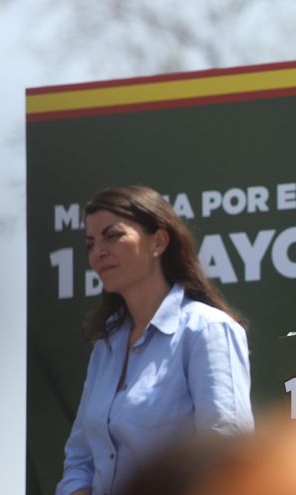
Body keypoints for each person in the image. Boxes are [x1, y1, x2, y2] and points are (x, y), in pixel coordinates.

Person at [57, 185, 254, 495]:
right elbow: (80, 460)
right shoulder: (105, 347)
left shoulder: (207, 329)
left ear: (159, 241)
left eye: (113, 235)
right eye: (91, 243)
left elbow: (226, 456)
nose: (98, 253)